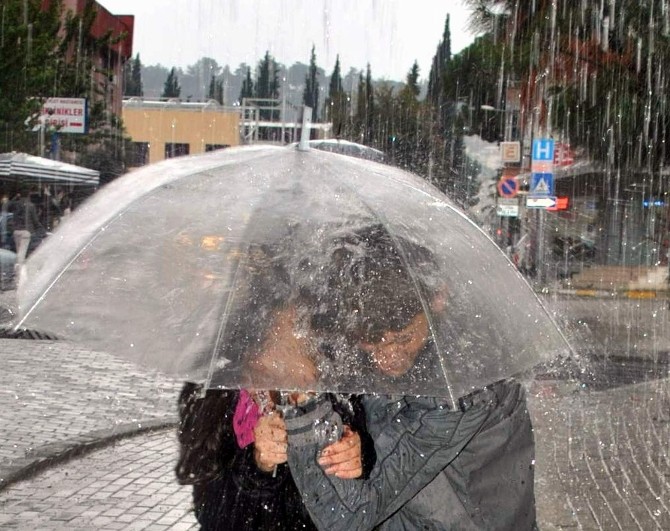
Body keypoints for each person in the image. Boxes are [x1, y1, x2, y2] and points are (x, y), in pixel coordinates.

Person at [283, 224, 537, 530]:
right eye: (371, 341)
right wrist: (352, 442)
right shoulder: (367, 356)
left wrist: (308, 411)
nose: (387, 356)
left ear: (437, 299)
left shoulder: (461, 389)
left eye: (402, 339)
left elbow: (348, 518)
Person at [175, 244, 375, 531]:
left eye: (307, 344)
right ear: (251, 346)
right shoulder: (215, 396)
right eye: (279, 350)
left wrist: (361, 458)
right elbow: (212, 514)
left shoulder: (337, 392)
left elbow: (364, 498)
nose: (297, 369)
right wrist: (258, 465)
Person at [8, 187, 42, 268]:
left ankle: (18, 268)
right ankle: (20, 269)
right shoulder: (31, 206)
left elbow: (7, 205)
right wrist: (41, 229)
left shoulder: (16, 204)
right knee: (22, 253)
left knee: (19, 251)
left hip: (16, 231)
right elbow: (35, 220)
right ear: (29, 195)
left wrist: (16, 197)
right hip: (26, 232)